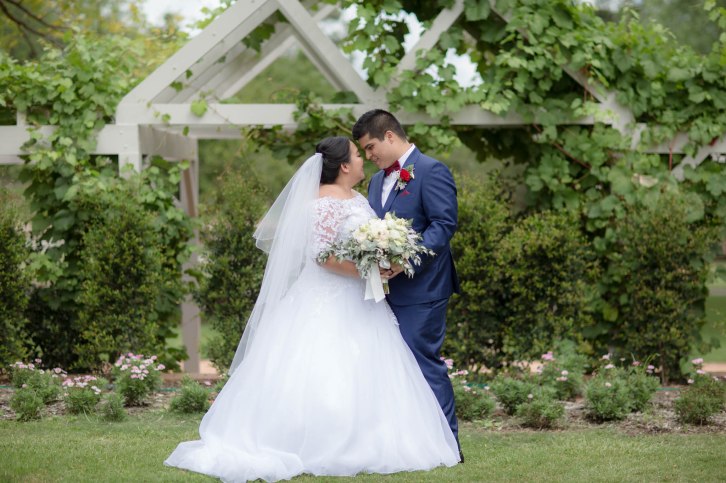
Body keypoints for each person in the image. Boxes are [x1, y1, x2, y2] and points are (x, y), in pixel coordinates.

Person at [164, 137, 460, 482]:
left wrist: (381, 258)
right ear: (344, 166)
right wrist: (369, 269)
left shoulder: (359, 198)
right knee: (320, 366)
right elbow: (323, 257)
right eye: (357, 154)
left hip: (363, 301)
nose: (363, 159)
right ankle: (314, 439)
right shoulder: (320, 204)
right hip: (327, 298)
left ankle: (372, 437)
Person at [352, 110, 462, 456]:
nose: (369, 156)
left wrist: (406, 261)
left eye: (370, 147)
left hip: (423, 288)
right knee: (392, 366)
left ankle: (448, 446)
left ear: (389, 136)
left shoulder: (431, 170)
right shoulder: (375, 182)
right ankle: (408, 444)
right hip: (383, 290)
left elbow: (443, 225)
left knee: (422, 361)